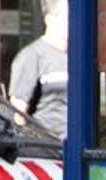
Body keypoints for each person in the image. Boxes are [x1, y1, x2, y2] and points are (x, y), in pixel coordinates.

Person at [8, 0, 68, 139]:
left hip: (75, 145)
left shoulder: (78, 58)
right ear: (50, 20)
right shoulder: (32, 56)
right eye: (67, 18)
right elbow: (18, 113)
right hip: (47, 146)